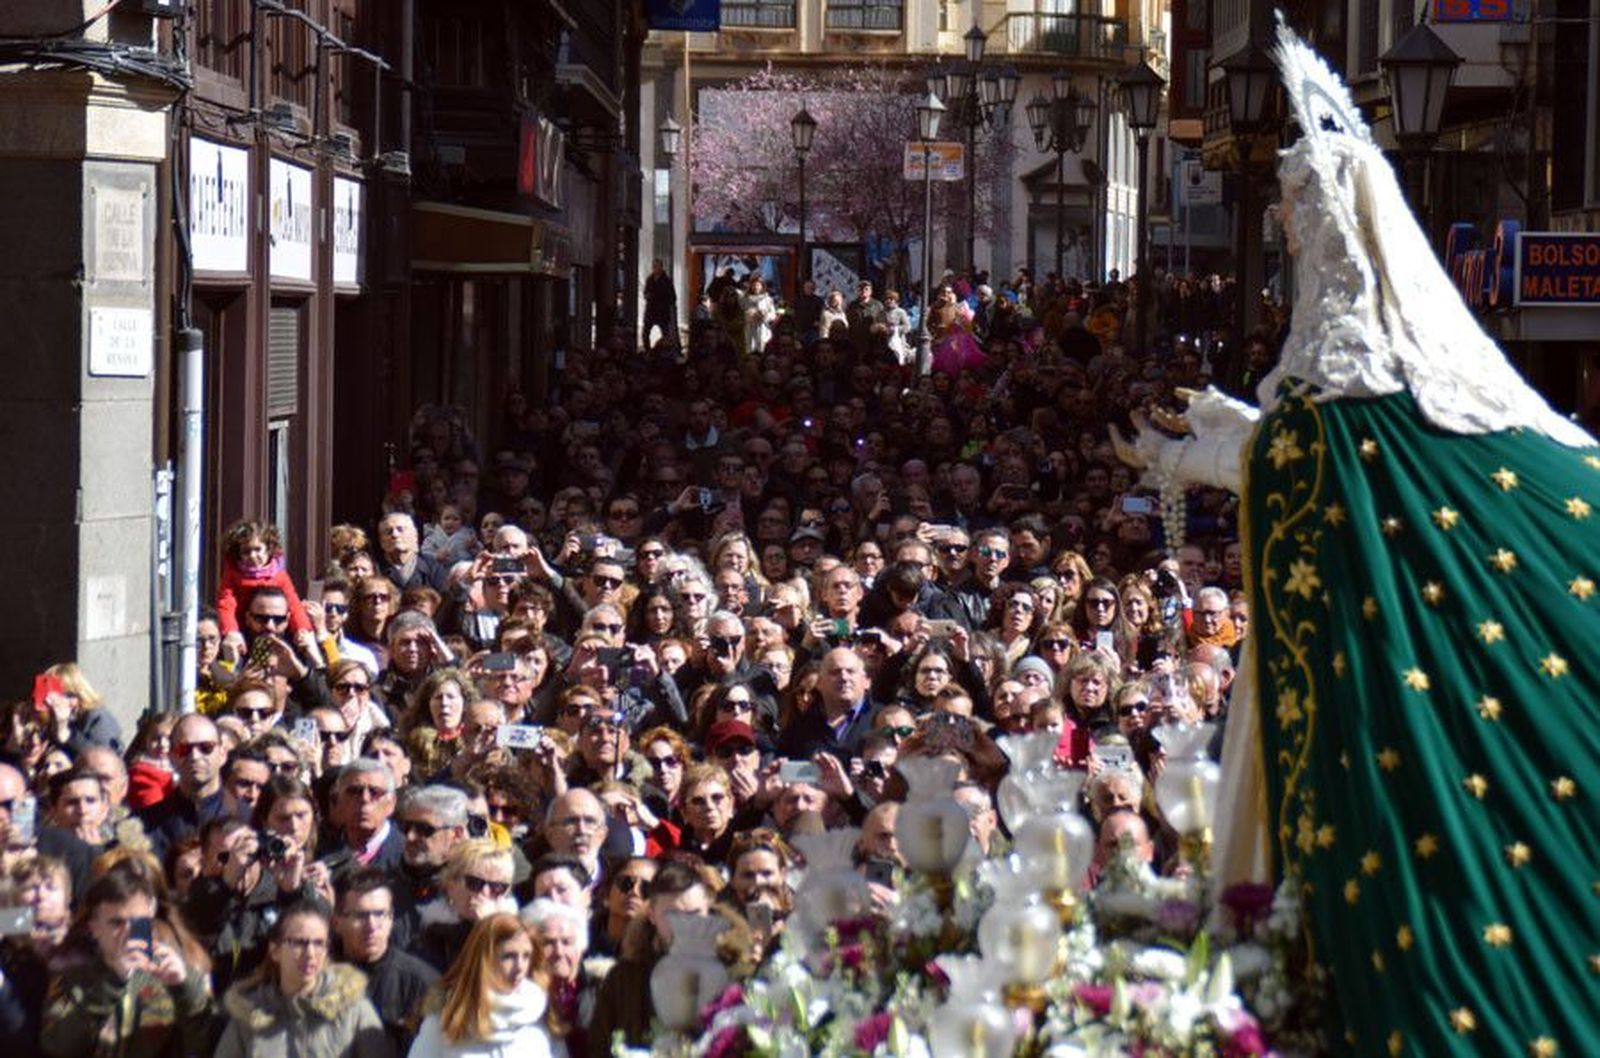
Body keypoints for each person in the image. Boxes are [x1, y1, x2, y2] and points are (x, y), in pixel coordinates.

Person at [1113, 23, 1600, 1054]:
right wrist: (1238, 442)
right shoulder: (1386, 412)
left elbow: (1325, 473)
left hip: (1388, 711)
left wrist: (1223, 452)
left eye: (1297, 223)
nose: (1290, 242)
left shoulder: (1350, 417)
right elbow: (1328, 472)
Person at [40, 867, 214, 1058]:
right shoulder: (72, 980)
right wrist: (110, 983)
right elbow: (56, 1048)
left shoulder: (178, 975)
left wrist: (184, 989)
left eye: (138, 921)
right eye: (116, 923)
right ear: (94, 928)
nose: (128, 931)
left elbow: (204, 1045)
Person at [214, 900, 392, 1058]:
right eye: (299, 943)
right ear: (275, 950)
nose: (310, 953)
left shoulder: (354, 1010)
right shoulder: (250, 1013)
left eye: (318, 943)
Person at [407, 913, 554, 1058]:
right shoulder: (446, 1019)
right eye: (508, 956)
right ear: (485, 960)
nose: (520, 967)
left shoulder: (535, 1014)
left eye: (526, 956)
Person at [333, 870, 439, 1055]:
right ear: (337, 922)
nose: (372, 926)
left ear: (391, 919)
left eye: (380, 914)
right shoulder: (316, 977)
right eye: (360, 915)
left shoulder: (422, 983)